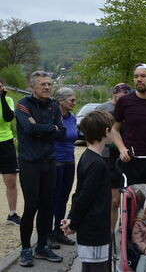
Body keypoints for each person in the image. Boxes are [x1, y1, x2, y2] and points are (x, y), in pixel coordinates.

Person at [16, 70, 65, 267]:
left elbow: (61, 133)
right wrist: (50, 129)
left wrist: (46, 129)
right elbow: (29, 129)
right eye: (43, 84)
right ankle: (26, 249)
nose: (47, 87)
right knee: (31, 205)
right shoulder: (23, 104)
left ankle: (42, 246)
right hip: (29, 163)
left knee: (47, 205)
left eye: (49, 84)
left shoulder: (54, 106)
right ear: (32, 86)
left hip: (49, 161)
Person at [61, 110, 115, 272]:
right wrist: (73, 224)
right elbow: (84, 197)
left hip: (90, 229)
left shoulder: (86, 157)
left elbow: (79, 193)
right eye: (113, 129)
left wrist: (71, 218)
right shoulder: (97, 164)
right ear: (106, 131)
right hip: (95, 230)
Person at [96, 83, 130, 232]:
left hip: (128, 155)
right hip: (109, 156)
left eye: (126, 94)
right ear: (115, 94)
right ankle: (110, 232)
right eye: (121, 94)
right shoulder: (103, 108)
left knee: (129, 194)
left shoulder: (130, 107)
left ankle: (127, 224)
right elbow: (95, 131)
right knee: (113, 200)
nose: (124, 97)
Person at [49, 88, 78, 248]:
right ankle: (48, 234)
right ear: (60, 101)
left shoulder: (72, 118)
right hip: (55, 161)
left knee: (63, 198)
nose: (74, 103)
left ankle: (58, 231)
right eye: (71, 100)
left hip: (69, 161)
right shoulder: (52, 117)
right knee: (53, 198)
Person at [0, 79, 20, 226]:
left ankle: (12, 214)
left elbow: (8, 117)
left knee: (10, 180)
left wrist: (2, 97)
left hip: (5, 142)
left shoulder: (8, 100)